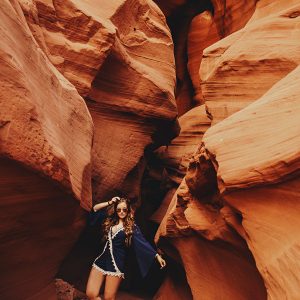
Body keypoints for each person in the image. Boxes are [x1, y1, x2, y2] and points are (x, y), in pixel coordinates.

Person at [86, 196, 166, 300]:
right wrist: (110, 202)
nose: (121, 212)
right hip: (101, 260)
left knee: (109, 298)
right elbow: (94, 209)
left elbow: (142, 242)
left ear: (128, 210)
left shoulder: (131, 227)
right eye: (118, 209)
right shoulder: (110, 221)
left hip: (116, 264)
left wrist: (157, 256)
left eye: (124, 209)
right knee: (90, 294)